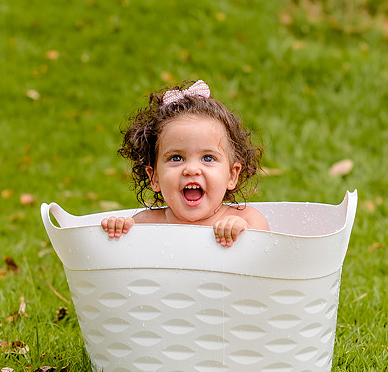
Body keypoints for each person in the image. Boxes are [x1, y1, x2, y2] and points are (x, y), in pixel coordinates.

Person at [101, 79, 269, 247]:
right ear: (155, 178)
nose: (191, 169)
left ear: (232, 175)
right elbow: (126, 256)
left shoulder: (247, 219)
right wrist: (118, 231)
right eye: (176, 158)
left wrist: (245, 232)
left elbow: (265, 251)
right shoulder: (146, 224)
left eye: (208, 158)